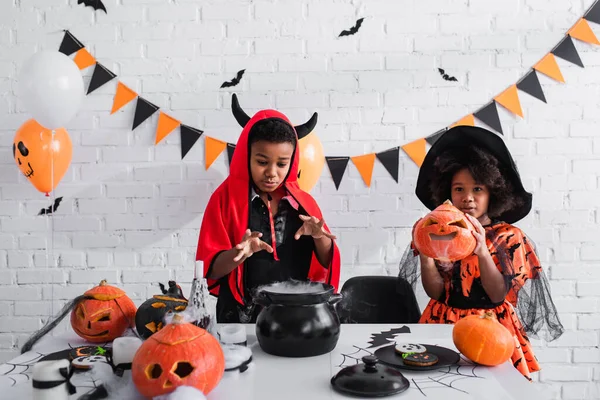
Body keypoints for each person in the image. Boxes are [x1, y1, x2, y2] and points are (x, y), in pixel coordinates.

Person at [398, 125, 563, 380]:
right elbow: (436, 292)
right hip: (443, 322)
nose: (468, 198)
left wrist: (482, 252)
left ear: (493, 193)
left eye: (478, 189)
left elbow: (499, 294)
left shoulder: (509, 237)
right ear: (447, 193)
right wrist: (426, 252)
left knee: (490, 387)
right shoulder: (441, 231)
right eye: (459, 189)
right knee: (438, 385)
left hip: (491, 325)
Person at [196, 94, 341, 323]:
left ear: (292, 161)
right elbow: (210, 271)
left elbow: (326, 262)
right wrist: (238, 254)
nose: (272, 172)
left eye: (282, 164)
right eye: (262, 162)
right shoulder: (224, 200)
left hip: (294, 313)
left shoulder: (303, 203)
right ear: (246, 156)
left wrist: (319, 237)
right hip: (238, 315)